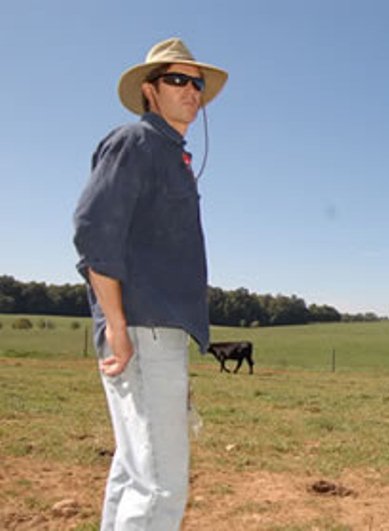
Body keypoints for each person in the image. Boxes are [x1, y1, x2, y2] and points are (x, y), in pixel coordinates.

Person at [73, 37, 227, 530]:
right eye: (177, 79)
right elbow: (94, 230)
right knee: (160, 486)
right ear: (149, 90)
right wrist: (118, 326)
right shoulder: (135, 142)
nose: (191, 91)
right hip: (142, 330)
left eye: (196, 83)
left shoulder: (173, 157)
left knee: (134, 469)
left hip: (159, 332)